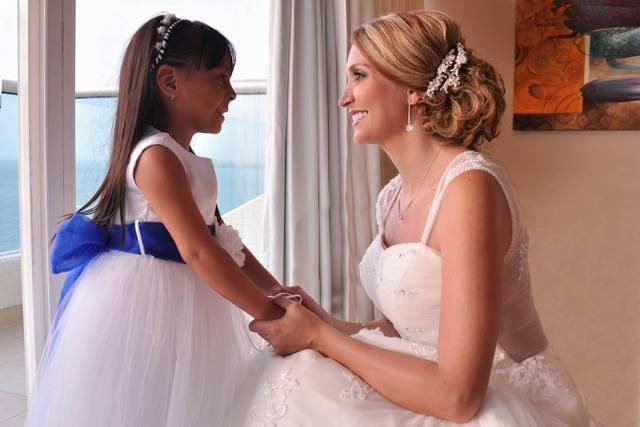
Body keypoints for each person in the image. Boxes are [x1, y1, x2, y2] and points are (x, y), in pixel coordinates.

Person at [236, 11, 595, 427]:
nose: (344, 98)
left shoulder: (469, 188)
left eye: (358, 76)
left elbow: (459, 397)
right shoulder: (392, 196)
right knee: (291, 377)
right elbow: (406, 331)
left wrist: (321, 338)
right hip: (433, 386)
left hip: (491, 396)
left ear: (412, 89)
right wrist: (324, 323)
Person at [25, 14, 284, 427]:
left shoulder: (182, 156)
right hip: (150, 303)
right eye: (220, 78)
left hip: (187, 296)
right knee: (151, 402)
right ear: (169, 82)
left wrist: (276, 290)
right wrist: (270, 316)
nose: (232, 94)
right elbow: (198, 251)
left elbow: (222, 239)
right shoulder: (155, 156)